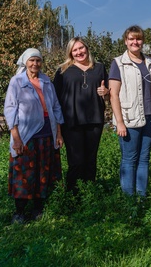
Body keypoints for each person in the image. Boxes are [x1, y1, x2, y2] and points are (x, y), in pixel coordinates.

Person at [4, 48, 64, 223]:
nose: (35, 64)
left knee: (43, 171)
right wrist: (16, 137)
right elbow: (10, 110)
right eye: (32, 60)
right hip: (26, 135)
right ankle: (20, 212)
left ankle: (38, 209)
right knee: (24, 172)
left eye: (38, 61)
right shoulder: (17, 82)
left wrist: (58, 133)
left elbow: (56, 107)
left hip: (47, 134)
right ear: (25, 62)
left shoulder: (46, 81)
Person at [109, 25, 151, 197]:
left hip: (150, 118)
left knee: (144, 159)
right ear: (125, 41)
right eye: (131, 39)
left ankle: (141, 197)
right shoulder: (119, 63)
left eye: (138, 39)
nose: (135, 42)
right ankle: (128, 199)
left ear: (142, 41)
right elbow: (114, 95)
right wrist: (119, 122)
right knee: (129, 160)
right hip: (129, 119)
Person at [53, 37, 109, 194]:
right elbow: (55, 99)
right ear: (70, 52)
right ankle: (73, 196)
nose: (79, 52)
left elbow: (109, 93)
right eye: (75, 50)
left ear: (87, 48)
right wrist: (57, 127)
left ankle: (89, 196)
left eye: (81, 48)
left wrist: (106, 92)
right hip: (72, 122)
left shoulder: (99, 68)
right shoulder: (63, 70)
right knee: (76, 162)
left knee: (91, 160)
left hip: (94, 120)